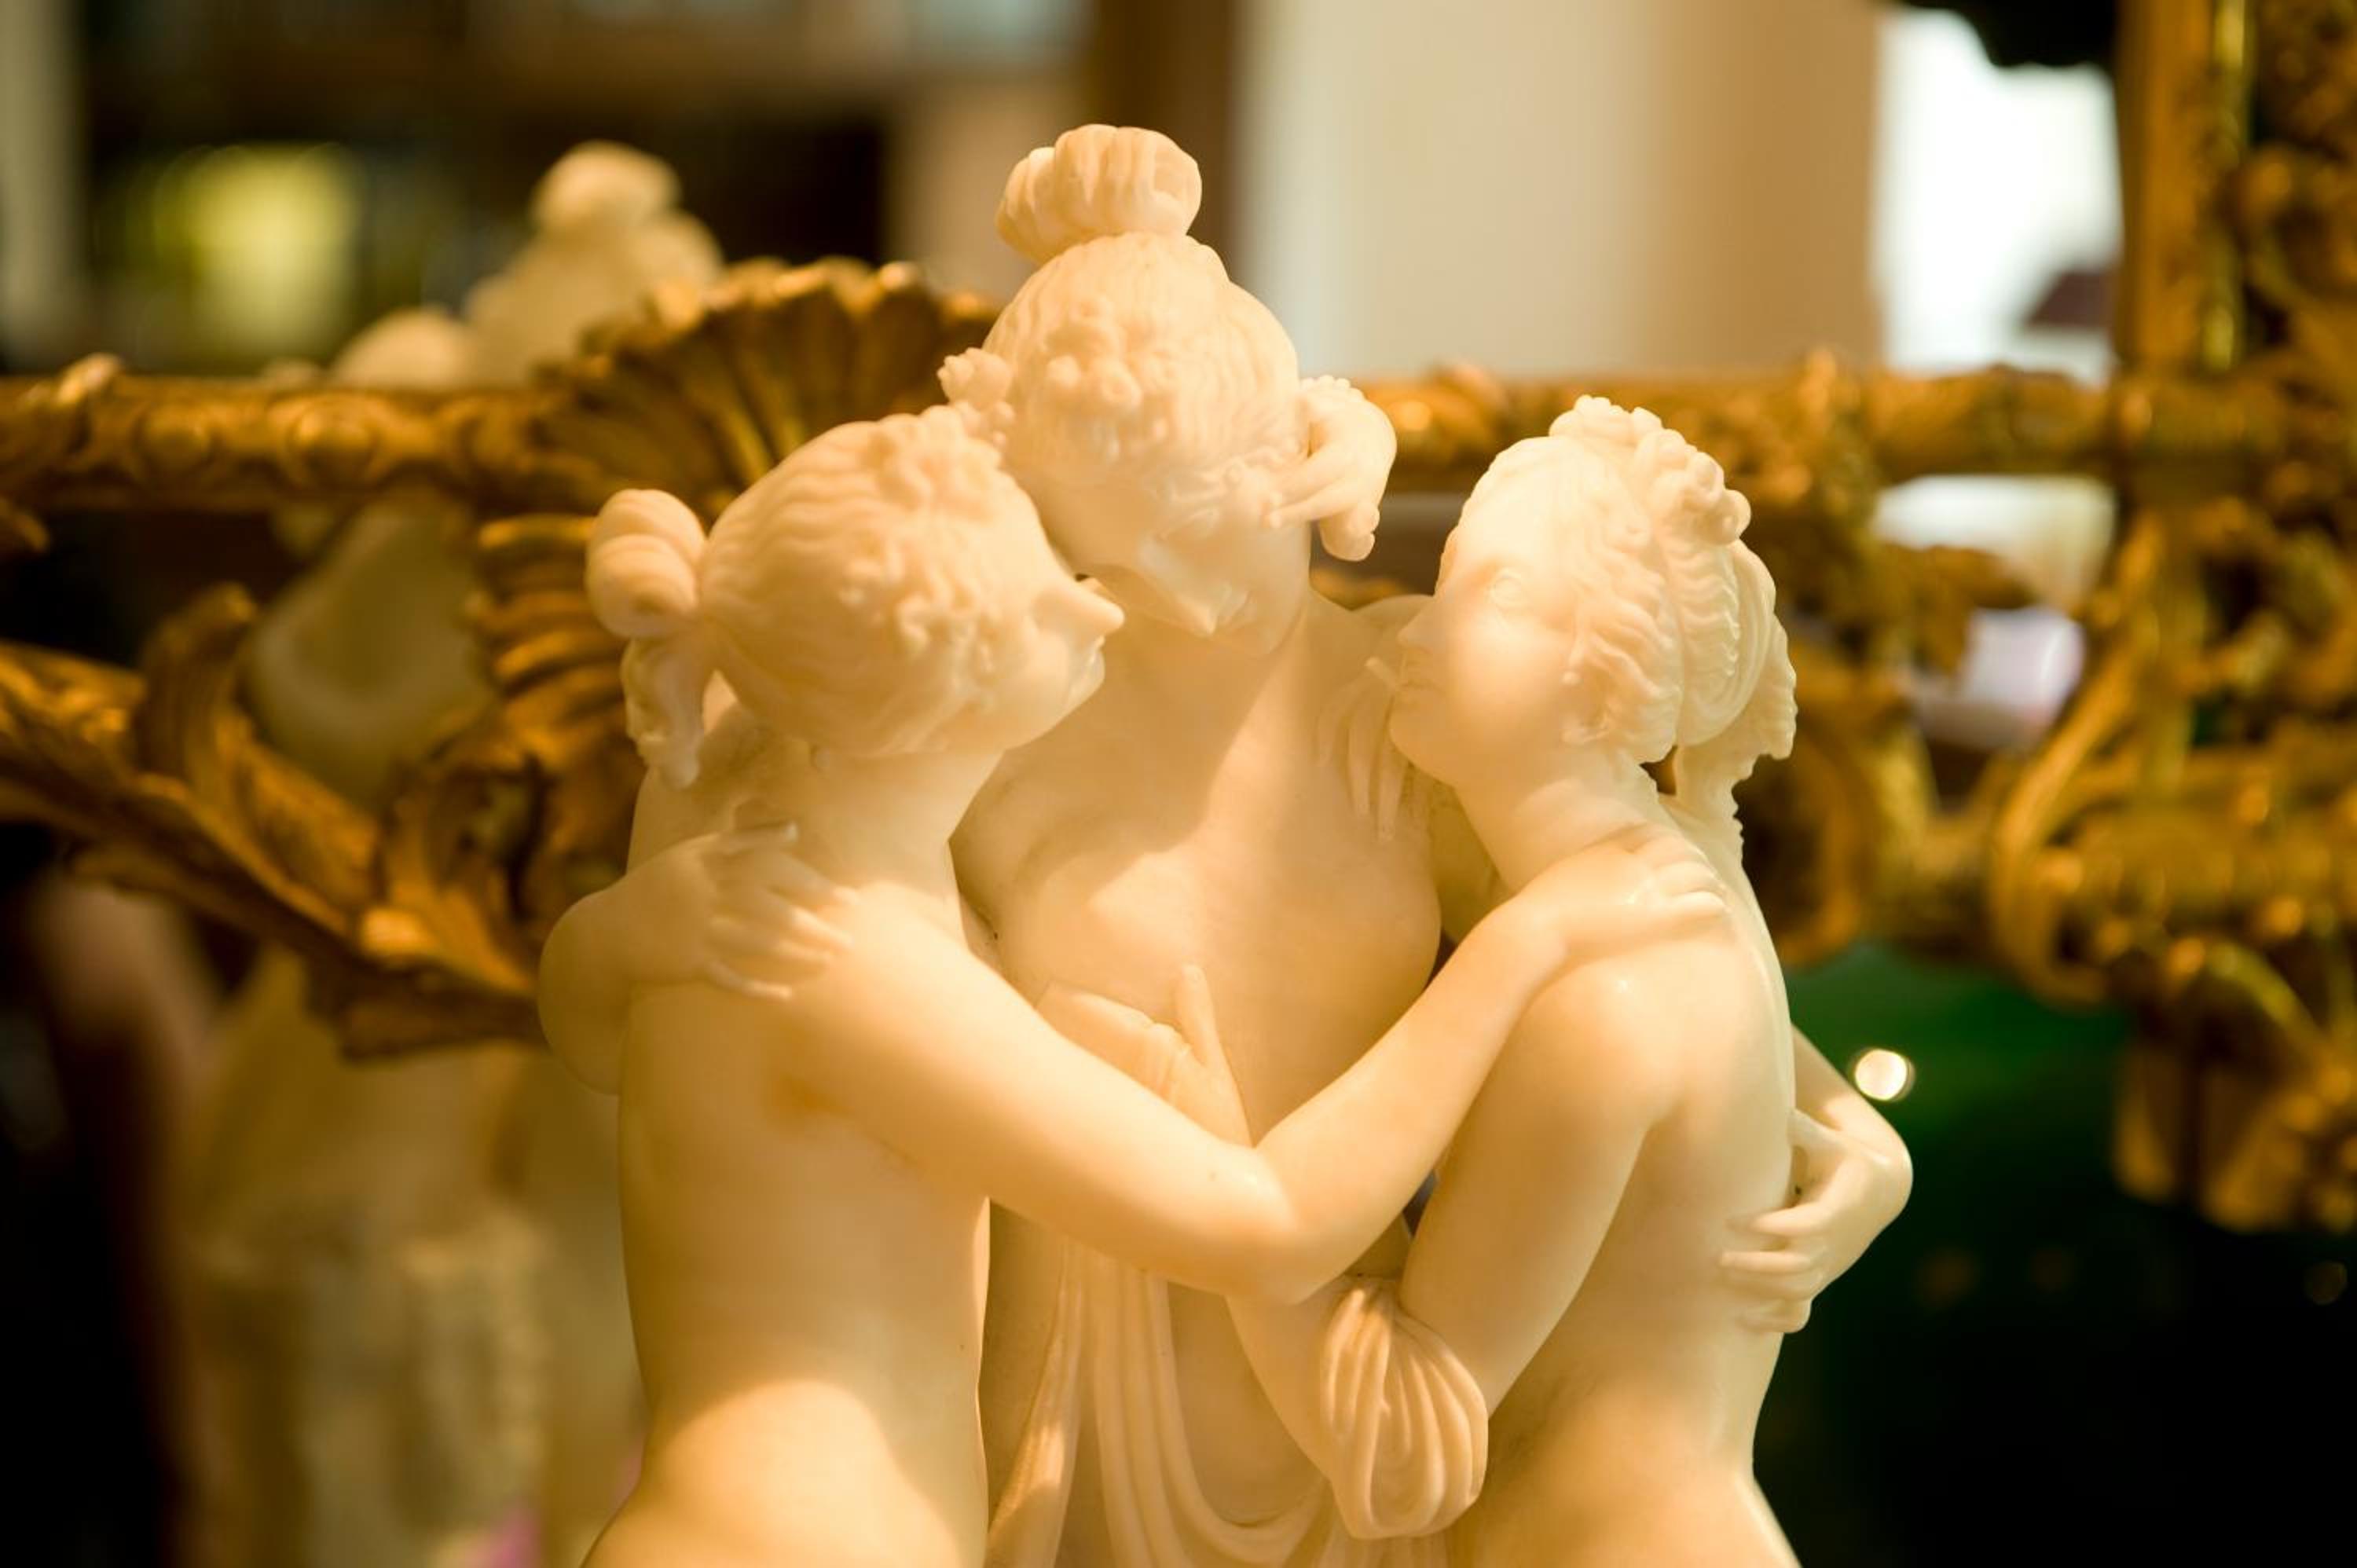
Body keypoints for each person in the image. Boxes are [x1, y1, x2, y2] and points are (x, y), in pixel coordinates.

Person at [927, 126, 1913, 1565]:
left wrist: (1839, 1129)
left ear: (1291, 460)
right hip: (1075, 1401)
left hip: (1346, 1424)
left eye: (1207, 539)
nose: (1180, 601)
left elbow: (1634, 937)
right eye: (1117, 557)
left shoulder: (1400, 708)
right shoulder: (1000, 732)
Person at [536, 405, 1715, 1566]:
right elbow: (1268, 1225)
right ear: (954, 697)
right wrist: (1525, 944)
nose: (1101, 604)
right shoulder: (847, 952)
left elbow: (583, 1024)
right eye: (1048, 603)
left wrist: (629, 923)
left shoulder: (770, 872)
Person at [1132, 398, 1899, 1565]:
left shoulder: (1592, 1004)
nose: (1420, 632)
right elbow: (1738, 1060)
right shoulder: (1675, 866)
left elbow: (1400, 1443)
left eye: (1496, 595)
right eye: (1446, 579)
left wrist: (1203, 1150)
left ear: (1610, 682)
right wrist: (1869, 1145)